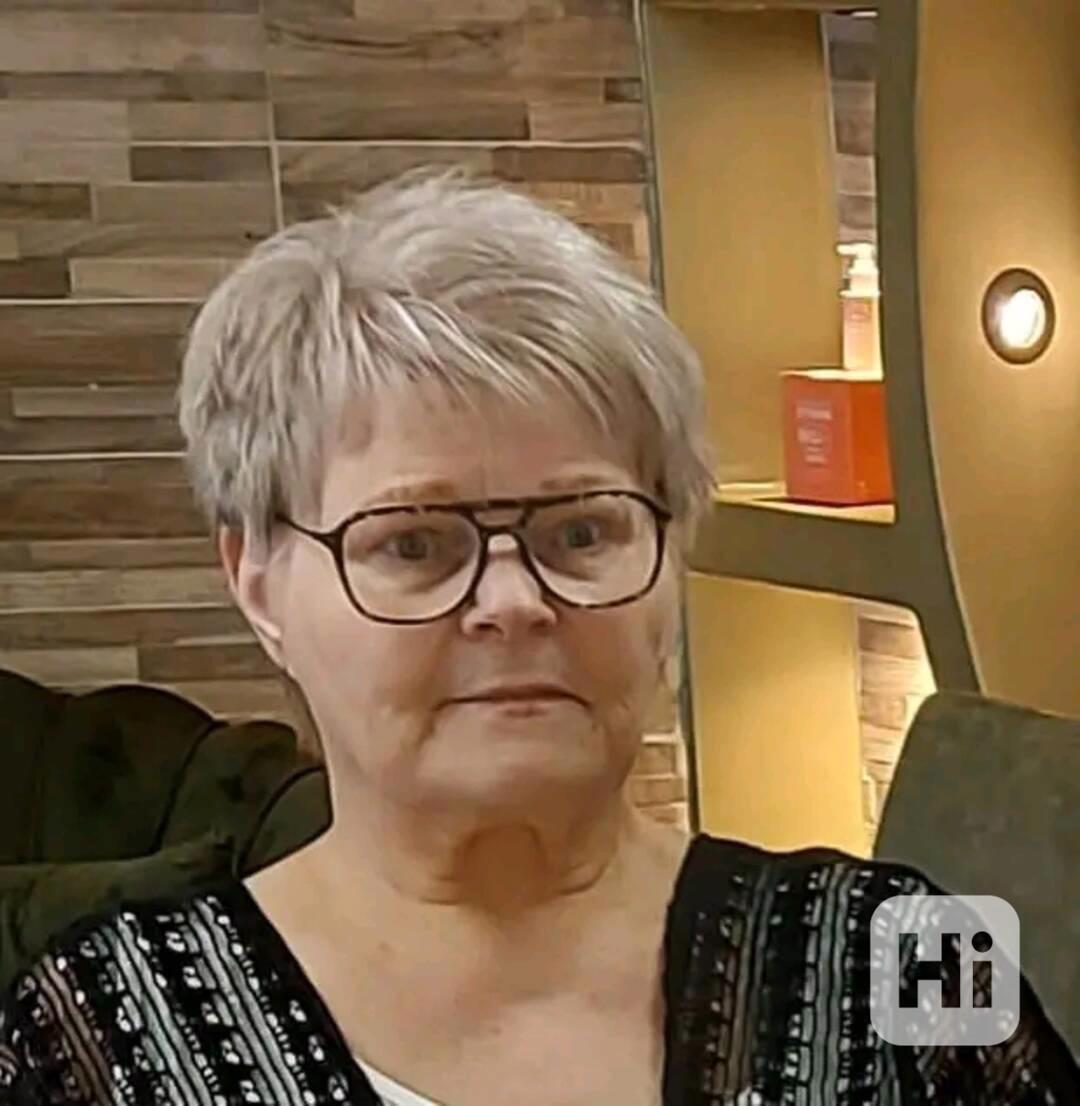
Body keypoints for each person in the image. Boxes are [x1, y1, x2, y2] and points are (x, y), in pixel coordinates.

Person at [1, 169, 1076, 1106]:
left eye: (581, 532)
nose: (513, 600)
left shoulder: (904, 955)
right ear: (257, 582)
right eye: (414, 543)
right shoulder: (104, 1032)